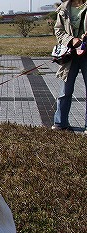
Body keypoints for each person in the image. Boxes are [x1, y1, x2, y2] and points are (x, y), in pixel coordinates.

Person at [53, 0, 87, 133]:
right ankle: (60, 124)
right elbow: (59, 31)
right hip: (70, 53)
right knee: (64, 91)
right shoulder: (63, 8)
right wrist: (71, 40)